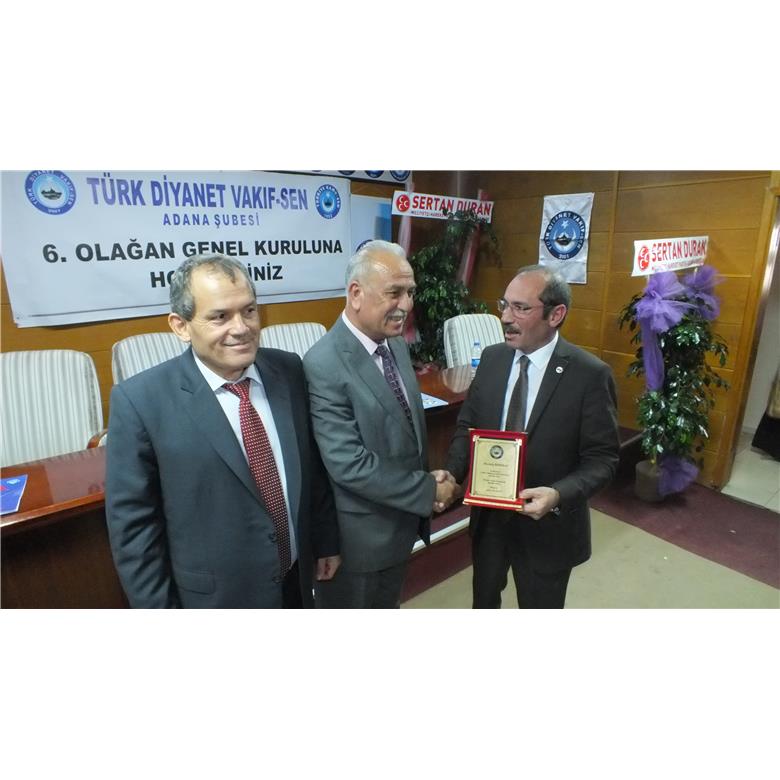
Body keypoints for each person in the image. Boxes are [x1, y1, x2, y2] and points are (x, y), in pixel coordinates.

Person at [105, 254, 340, 608]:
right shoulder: (140, 402)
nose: (242, 328)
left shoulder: (288, 369)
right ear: (180, 326)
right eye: (219, 317)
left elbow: (311, 468)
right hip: (215, 599)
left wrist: (324, 540)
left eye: (249, 311)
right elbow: (134, 532)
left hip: (296, 580)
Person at [445, 264, 619, 608]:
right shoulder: (492, 359)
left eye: (520, 308)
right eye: (504, 305)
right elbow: (468, 426)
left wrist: (558, 494)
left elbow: (603, 459)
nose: (505, 318)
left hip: (548, 527)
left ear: (556, 315)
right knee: (483, 604)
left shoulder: (589, 375)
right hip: (489, 519)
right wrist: (452, 473)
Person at [302, 240, 457, 608]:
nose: (407, 305)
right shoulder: (323, 363)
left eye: (411, 292)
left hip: (399, 528)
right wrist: (426, 490)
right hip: (358, 547)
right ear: (356, 293)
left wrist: (427, 478)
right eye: (394, 292)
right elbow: (348, 463)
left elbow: (403, 430)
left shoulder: (395, 344)